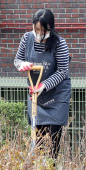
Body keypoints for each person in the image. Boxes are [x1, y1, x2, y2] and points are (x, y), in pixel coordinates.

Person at [14, 9, 71, 158]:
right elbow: (17, 60)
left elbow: (62, 71)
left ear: (50, 28)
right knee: (38, 137)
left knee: (53, 138)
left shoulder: (60, 44)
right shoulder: (27, 38)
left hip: (57, 95)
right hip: (36, 94)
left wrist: (44, 85)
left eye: (42, 30)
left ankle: (51, 168)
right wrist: (22, 65)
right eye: (36, 29)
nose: (38, 33)